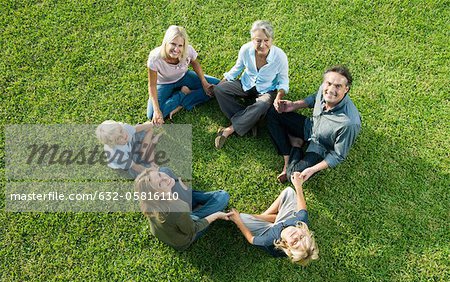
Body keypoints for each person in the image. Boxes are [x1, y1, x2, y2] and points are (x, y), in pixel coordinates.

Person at [267, 65, 361, 183]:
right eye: (329, 83)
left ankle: (296, 145)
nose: (331, 90)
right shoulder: (324, 89)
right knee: (273, 113)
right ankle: (287, 154)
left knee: (294, 175)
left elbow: (338, 155)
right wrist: (294, 105)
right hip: (310, 126)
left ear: (346, 89)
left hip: (321, 146)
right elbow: (313, 99)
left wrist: (313, 169)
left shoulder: (349, 123)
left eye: (338, 86)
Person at [214, 20, 289, 149]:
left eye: (266, 40)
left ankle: (229, 130)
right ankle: (250, 122)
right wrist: (220, 85)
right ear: (252, 39)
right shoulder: (245, 50)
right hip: (246, 84)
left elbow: (283, 80)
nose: (262, 45)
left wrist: (278, 96)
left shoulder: (280, 57)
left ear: (272, 40)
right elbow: (237, 68)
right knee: (220, 90)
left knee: (263, 104)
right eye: (258, 40)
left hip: (267, 90)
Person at [228, 172, 318, 265]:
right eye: (301, 237)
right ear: (305, 231)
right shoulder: (300, 222)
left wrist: (237, 220)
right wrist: (298, 185)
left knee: (242, 218)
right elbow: (302, 209)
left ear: (287, 246)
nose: (295, 236)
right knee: (289, 192)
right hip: (284, 221)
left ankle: (269, 219)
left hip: (267, 231)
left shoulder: (268, 241)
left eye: (294, 242)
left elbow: (251, 239)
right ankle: (268, 217)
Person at [136, 167, 231, 251]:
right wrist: (216, 215)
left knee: (165, 170)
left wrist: (182, 189)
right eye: (160, 184)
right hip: (184, 237)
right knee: (223, 197)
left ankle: (189, 196)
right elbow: (193, 229)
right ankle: (195, 206)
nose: (165, 178)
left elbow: (162, 176)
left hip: (172, 222)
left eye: (159, 175)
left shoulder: (150, 202)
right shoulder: (177, 209)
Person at [147, 25, 220, 124]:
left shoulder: (188, 50)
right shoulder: (155, 57)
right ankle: (183, 94)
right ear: (165, 43)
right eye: (173, 44)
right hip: (164, 83)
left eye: (180, 45)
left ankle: (182, 100)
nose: (176, 49)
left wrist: (204, 82)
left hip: (184, 77)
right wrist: (156, 110)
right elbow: (152, 85)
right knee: (152, 115)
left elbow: (195, 63)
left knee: (217, 87)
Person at [95, 120, 160, 178]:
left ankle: (143, 153)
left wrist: (151, 124)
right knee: (144, 174)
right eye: (118, 138)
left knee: (149, 128)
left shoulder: (123, 128)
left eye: (121, 131)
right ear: (113, 143)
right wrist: (152, 172)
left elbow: (136, 129)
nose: (124, 136)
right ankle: (151, 145)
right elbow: (135, 167)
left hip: (130, 144)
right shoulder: (117, 155)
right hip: (128, 159)